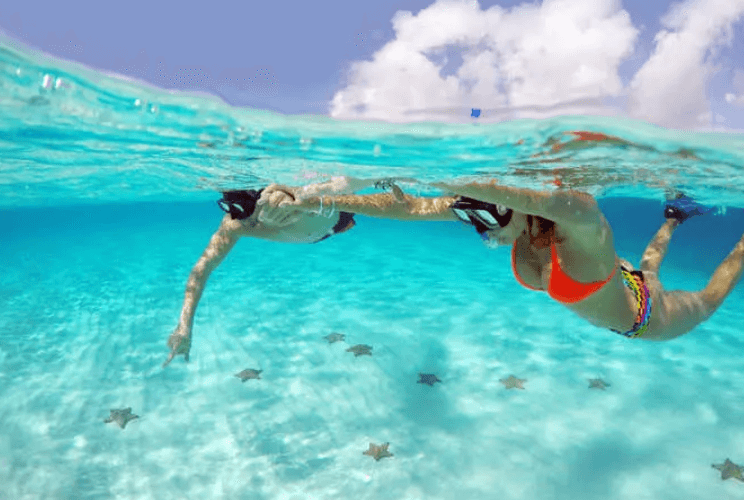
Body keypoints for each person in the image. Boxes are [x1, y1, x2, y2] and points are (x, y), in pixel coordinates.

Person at [262, 180, 744, 341]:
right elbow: (407, 206)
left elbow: (565, 202)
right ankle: (677, 215)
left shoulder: (580, 226)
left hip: (646, 319)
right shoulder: (499, 218)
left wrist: (473, 182)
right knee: (649, 269)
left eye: (485, 211)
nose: (480, 226)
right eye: (473, 215)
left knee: (705, 300)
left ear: (525, 204)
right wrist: (316, 204)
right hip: (619, 284)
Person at [163, 177, 386, 367]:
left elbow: (344, 182)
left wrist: (383, 176)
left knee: (339, 200)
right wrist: (184, 327)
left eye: (242, 207)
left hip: (337, 218)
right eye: (229, 207)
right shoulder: (237, 223)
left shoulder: (297, 197)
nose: (236, 215)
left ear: (264, 198)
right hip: (315, 230)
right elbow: (202, 269)